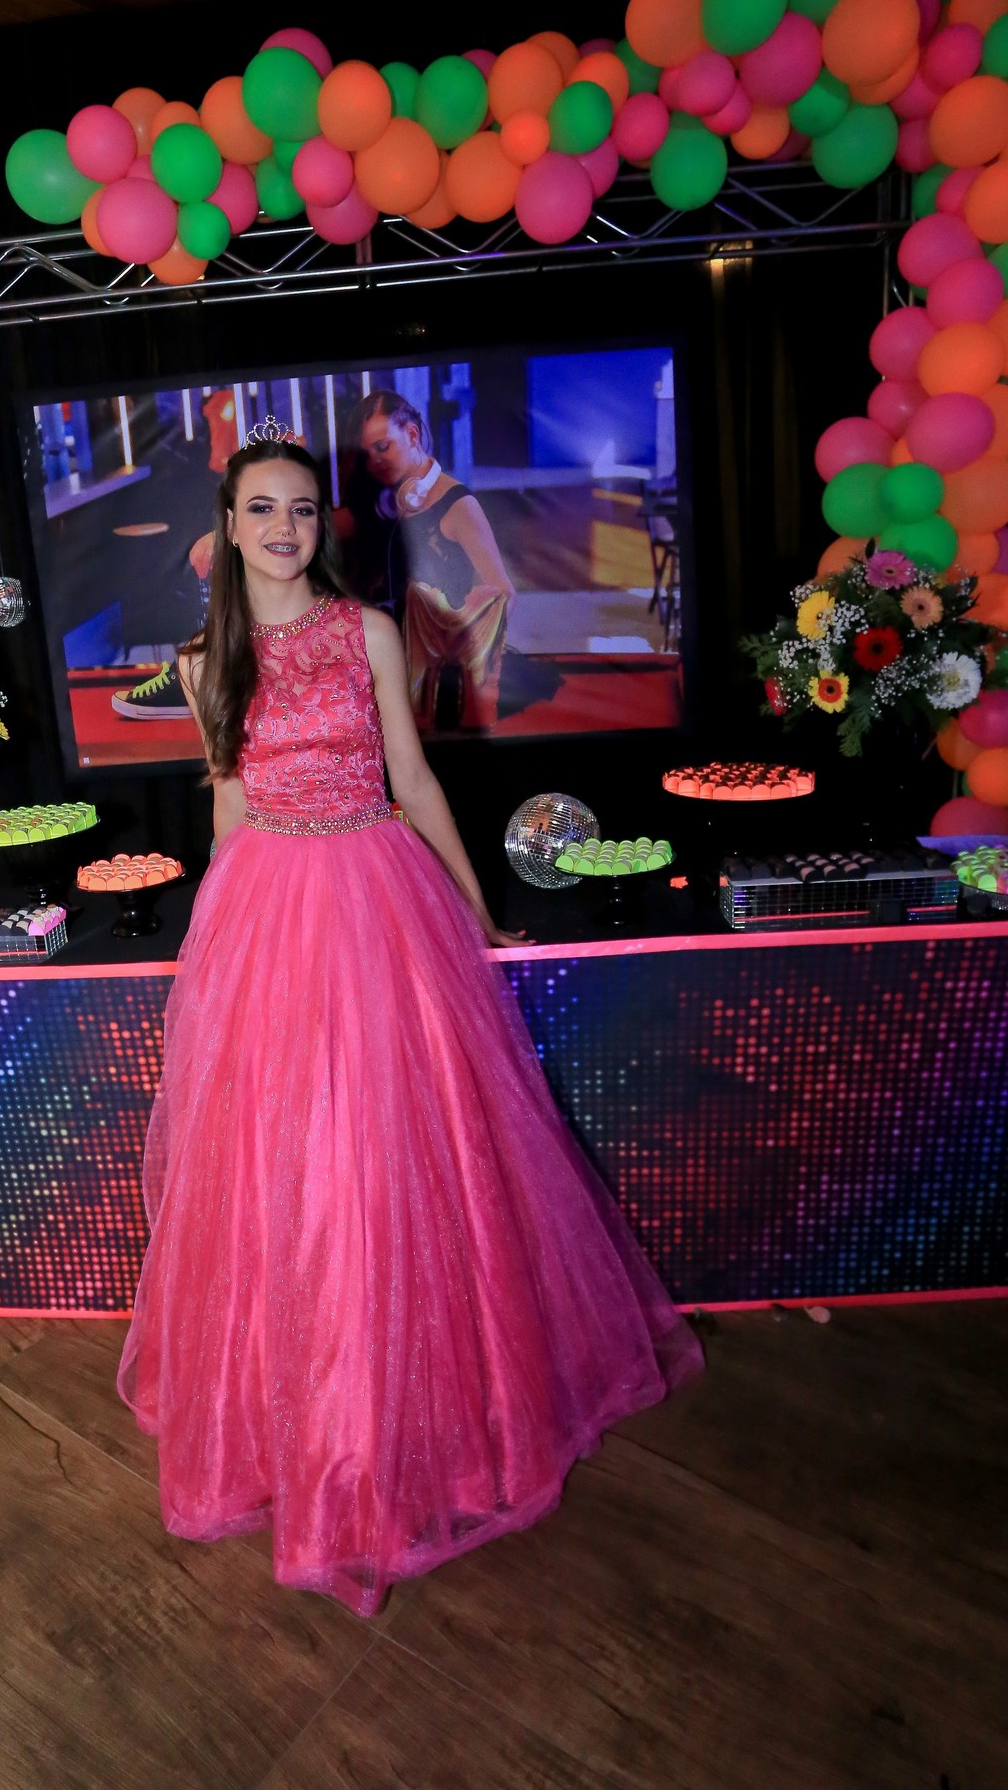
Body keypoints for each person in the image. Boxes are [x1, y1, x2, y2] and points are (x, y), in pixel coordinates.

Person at [116, 415, 701, 1617]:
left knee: (392, 1157)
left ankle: (412, 1417)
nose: (283, 527)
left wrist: (477, 915)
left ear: (319, 522)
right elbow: (228, 805)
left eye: (300, 507)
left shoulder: (370, 631)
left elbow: (414, 780)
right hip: (268, 910)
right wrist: (215, 949)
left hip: (377, 898)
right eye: (261, 508)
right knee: (284, 1168)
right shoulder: (203, 658)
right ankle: (306, 1422)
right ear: (227, 526)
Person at [354, 389, 514, 731]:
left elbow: (504, 594)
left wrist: (459, 656)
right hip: (390, 670)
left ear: (412, 435)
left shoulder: (458, 505)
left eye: (383, 446)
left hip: (437, 684)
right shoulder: (389, 500)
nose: (375, 461)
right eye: (368, 454)